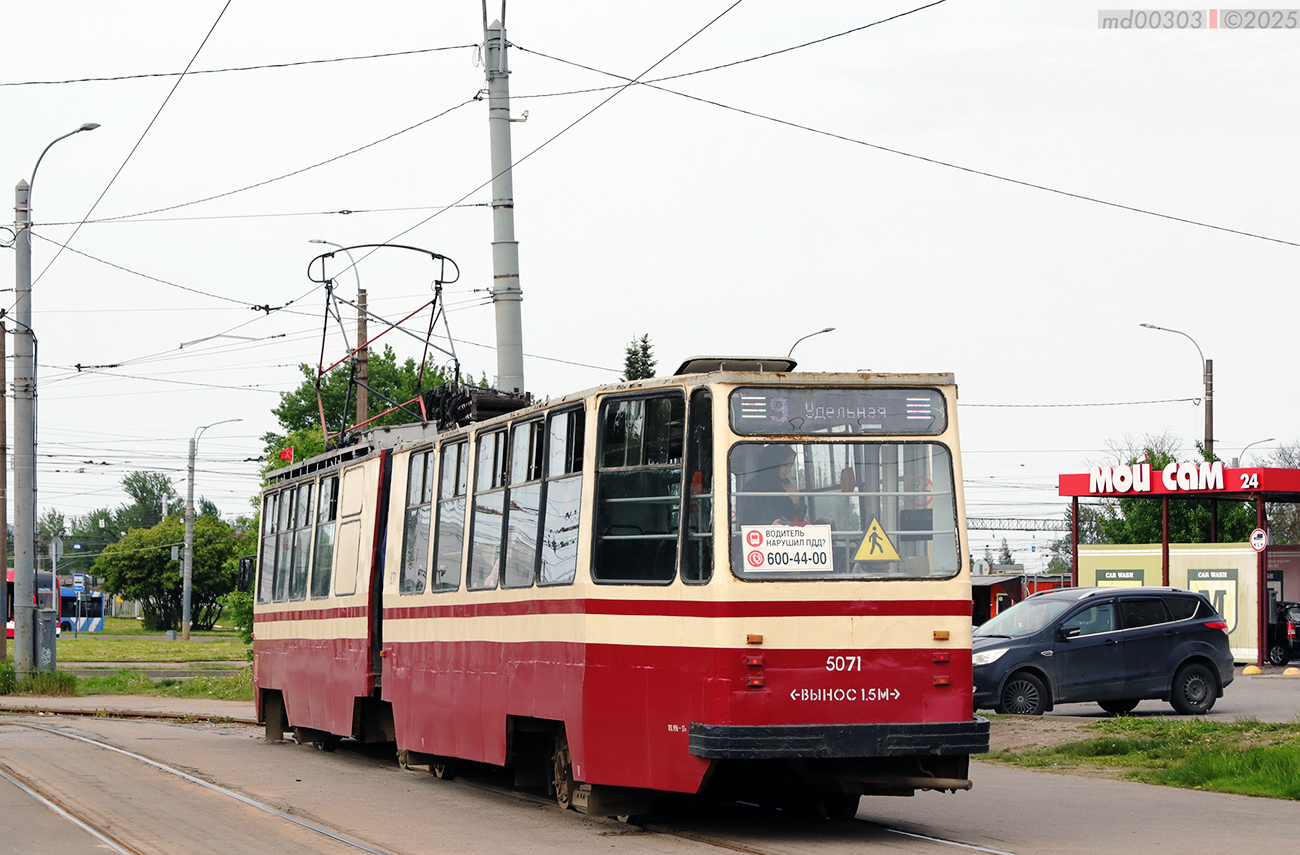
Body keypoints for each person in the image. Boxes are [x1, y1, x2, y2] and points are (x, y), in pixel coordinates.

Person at [739, 445, 811, 525]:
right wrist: (769, 526)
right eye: (785, 465)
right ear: (773, 464)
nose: (789, 470)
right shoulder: (753, 487)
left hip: (788, 535)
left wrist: (797, 503)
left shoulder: (786, 485)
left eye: (791, 465)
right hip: (762, 535)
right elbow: (745, 521)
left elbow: (797, 521)